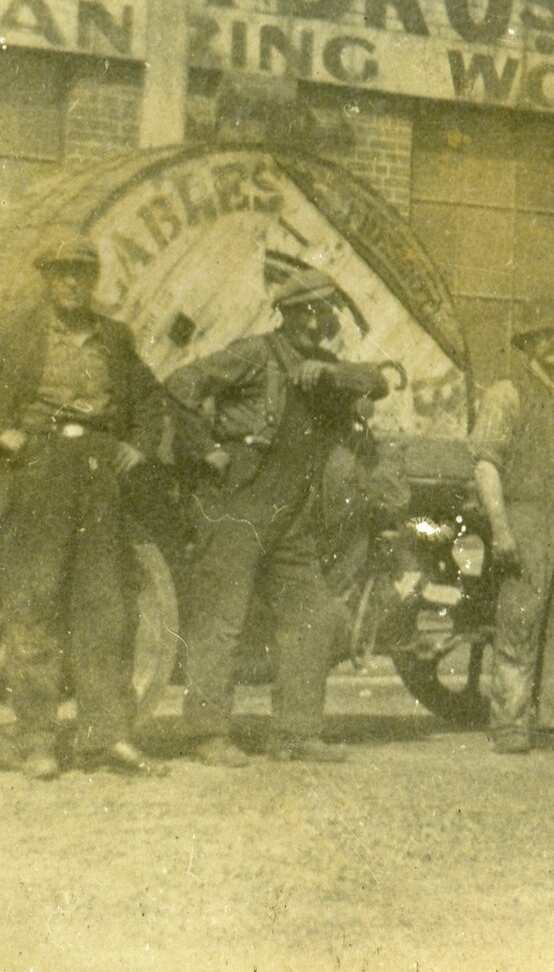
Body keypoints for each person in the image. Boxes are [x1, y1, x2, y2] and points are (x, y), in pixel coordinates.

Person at [0, 235, 169, 780]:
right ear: (46, 280)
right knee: (34, 606)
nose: (72, 284)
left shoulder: (114, 337)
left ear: (93, 281)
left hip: (99, 472)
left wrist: (141, 444)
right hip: (38, 471)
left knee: (103, 608)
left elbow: (150, 398)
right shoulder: (17, 333)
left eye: (82, 274)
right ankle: (37, 742)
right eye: (61, 274)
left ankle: (107, 737)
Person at [165, 265, 392, 767]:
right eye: (305, 314)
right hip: (237, 507)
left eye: (324, 314)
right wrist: (205, 448)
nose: (316, 324)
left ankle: (295, 734)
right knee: (221, 622)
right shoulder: (254, 355)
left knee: (310, 616)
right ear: (285, 316)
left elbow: (377, 384)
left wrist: (330, 374)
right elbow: (181, 384)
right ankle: (208, 734)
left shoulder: (327, 366)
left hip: (292, 517)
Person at [470, 307, 554, 756]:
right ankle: (509, 721)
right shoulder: (507, 394)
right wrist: (501, 528)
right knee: (520, 619)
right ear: (526, 344)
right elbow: (487, 464)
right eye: (546, 337)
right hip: (526, 517)